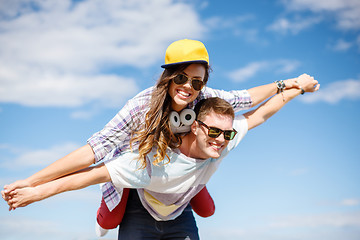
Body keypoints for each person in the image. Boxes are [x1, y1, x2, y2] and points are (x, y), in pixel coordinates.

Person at [2, 39, 303, 234]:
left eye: (196, 81)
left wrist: (288, 84)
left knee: (207, 209)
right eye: (181, 78)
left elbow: (247, 101)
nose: (188, 87)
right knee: (110, 218)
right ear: (169, 76)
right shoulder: (142, 106)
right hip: (145, 173)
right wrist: (33, 182)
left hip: (187, 173)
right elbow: (94, 152)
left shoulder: (205, 98)